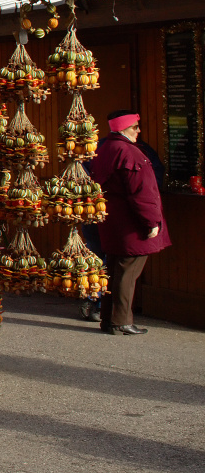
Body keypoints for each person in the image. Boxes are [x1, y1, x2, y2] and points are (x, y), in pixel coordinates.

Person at [89, 110, 172, 335]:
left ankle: (109, 319)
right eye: (135, 127)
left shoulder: (105, 149)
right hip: (130, 225)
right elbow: (142, 193)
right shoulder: (130, 153)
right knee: (127, 273)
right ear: (124, 128)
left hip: (112, 221)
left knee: (114, 271)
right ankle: (121, 321)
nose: (138, 131)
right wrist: (152, 222)